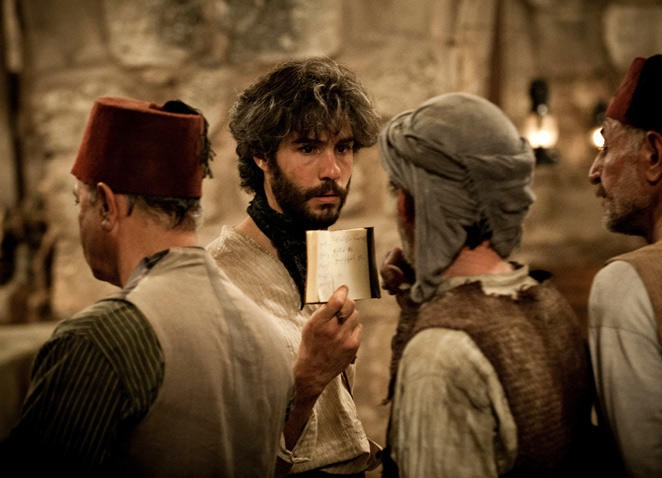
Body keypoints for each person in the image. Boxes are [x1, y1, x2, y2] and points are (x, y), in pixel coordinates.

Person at [0, 96, 294, 476]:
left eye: (80, 203)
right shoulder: (269, 336)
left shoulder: (100, 339)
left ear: (107, 206)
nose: (79, 219)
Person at [378, 92, 593, 477]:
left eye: (398, 189)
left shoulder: (440, 354)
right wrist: (418, 304)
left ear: (411, 205)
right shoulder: (549, 302)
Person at [207, 57, 381, 476]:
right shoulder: (217, 279)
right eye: (308, 148)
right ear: (262, 155)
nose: (333, 170)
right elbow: (224, 455)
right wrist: (307, 379)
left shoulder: (321, 251)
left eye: (343, 148)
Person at [587, 53, 662, 477]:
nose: (594, 172)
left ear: (654, 155)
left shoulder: (628, 282)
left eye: (606, 147)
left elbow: (648, 467)